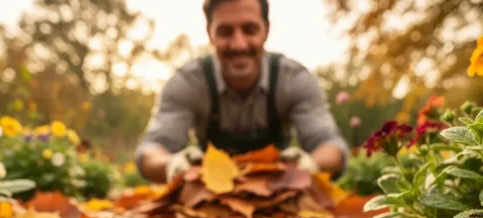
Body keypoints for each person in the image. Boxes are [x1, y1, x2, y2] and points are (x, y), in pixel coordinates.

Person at [134, 0, 349, 183]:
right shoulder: (188, 83)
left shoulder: (294, 80)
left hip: (280, 195)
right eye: (225, 32)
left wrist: (312, 164)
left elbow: (330, 145)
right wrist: (170, 164)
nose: (239, 44)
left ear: (266, 29)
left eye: (250, 30)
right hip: (208, 200)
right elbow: (151, 150)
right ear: (210, 33)